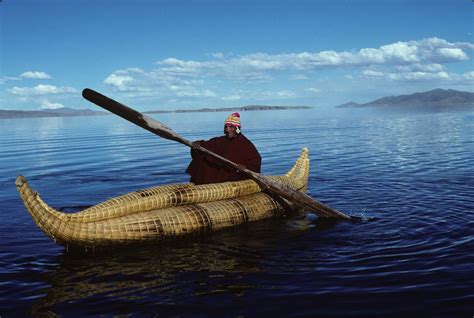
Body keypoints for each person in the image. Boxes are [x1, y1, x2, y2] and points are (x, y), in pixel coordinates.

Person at [186, 112, 261, 185]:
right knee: (202, 157)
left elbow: (256, 160)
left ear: (237, 128)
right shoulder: (221, 140)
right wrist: (197, 144)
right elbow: (205, 145)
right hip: (221, 174)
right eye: (226, 127)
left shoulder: (245, 143)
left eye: (231, 127)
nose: (228, 130)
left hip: (234, 175)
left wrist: (245, 167)